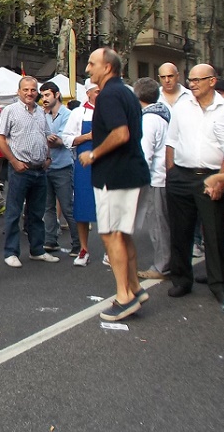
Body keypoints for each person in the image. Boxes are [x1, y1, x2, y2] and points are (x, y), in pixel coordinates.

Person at [78, 47, 151, 321]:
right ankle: (134, 288)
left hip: (116, 175)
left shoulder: (109, 95)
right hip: (130, 172)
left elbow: (121, 133)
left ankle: (124, 297)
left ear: (107, 67)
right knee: (122, 233)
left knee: (111, 234)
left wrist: (94, 153)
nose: (87, 69)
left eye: (92, 63)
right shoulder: (126, 93)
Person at [164, 64, 224, 308]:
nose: (192, 84)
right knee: (180, 231)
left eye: (197, 80)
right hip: (181, 176)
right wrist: (171, 173)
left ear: (212, 81)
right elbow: (171, 142)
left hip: (213, 175)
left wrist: (220, 179)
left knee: (215, 234)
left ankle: (219, 284)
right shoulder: (182, 107)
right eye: (190, 79)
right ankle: (182, 279)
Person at [0, 76, 60, 269]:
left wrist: (48, 157)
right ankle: (11, 252)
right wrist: (14, 161)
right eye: (26, 90)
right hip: (20, 170)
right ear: (19, 92)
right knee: (14, 213)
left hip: (40, 170)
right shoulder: (10, 111)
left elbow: (46, 136)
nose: (30, 93)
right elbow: (0, 139)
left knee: (36, 214)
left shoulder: (41, 112)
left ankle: (37, 250)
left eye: (33, 90)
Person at [132, 78, 172, 280]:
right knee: (164, 221)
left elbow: (144, 154)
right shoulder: (163, 114)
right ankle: (168, 262)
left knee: (158, 223)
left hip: (156, 178)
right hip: (165, 175)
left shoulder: (148, 120)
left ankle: (162, 266)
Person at [39, 82, 79, 257]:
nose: (44, 99)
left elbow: (63, 140)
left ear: (56, 95)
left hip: (62, 167)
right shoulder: (42, 115)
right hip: (45, 168)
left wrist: (48, 139)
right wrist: (48, 138)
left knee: (67, 207)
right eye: (43, 96)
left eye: (47, 95)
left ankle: (78, 243)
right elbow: (45, 138)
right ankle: (50, 240)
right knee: (48, 207)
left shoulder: (68, 114)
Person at [62, 79, 99, 266]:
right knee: (83, 208)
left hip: (107, 164)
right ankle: (84, 249)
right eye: (97, 91)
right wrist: (87, 137)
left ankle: (112, 250)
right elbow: (67, 139)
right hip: (85, 166)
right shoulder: (78, 113)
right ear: (89, 93)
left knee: (109, 208)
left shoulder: (111, 110)